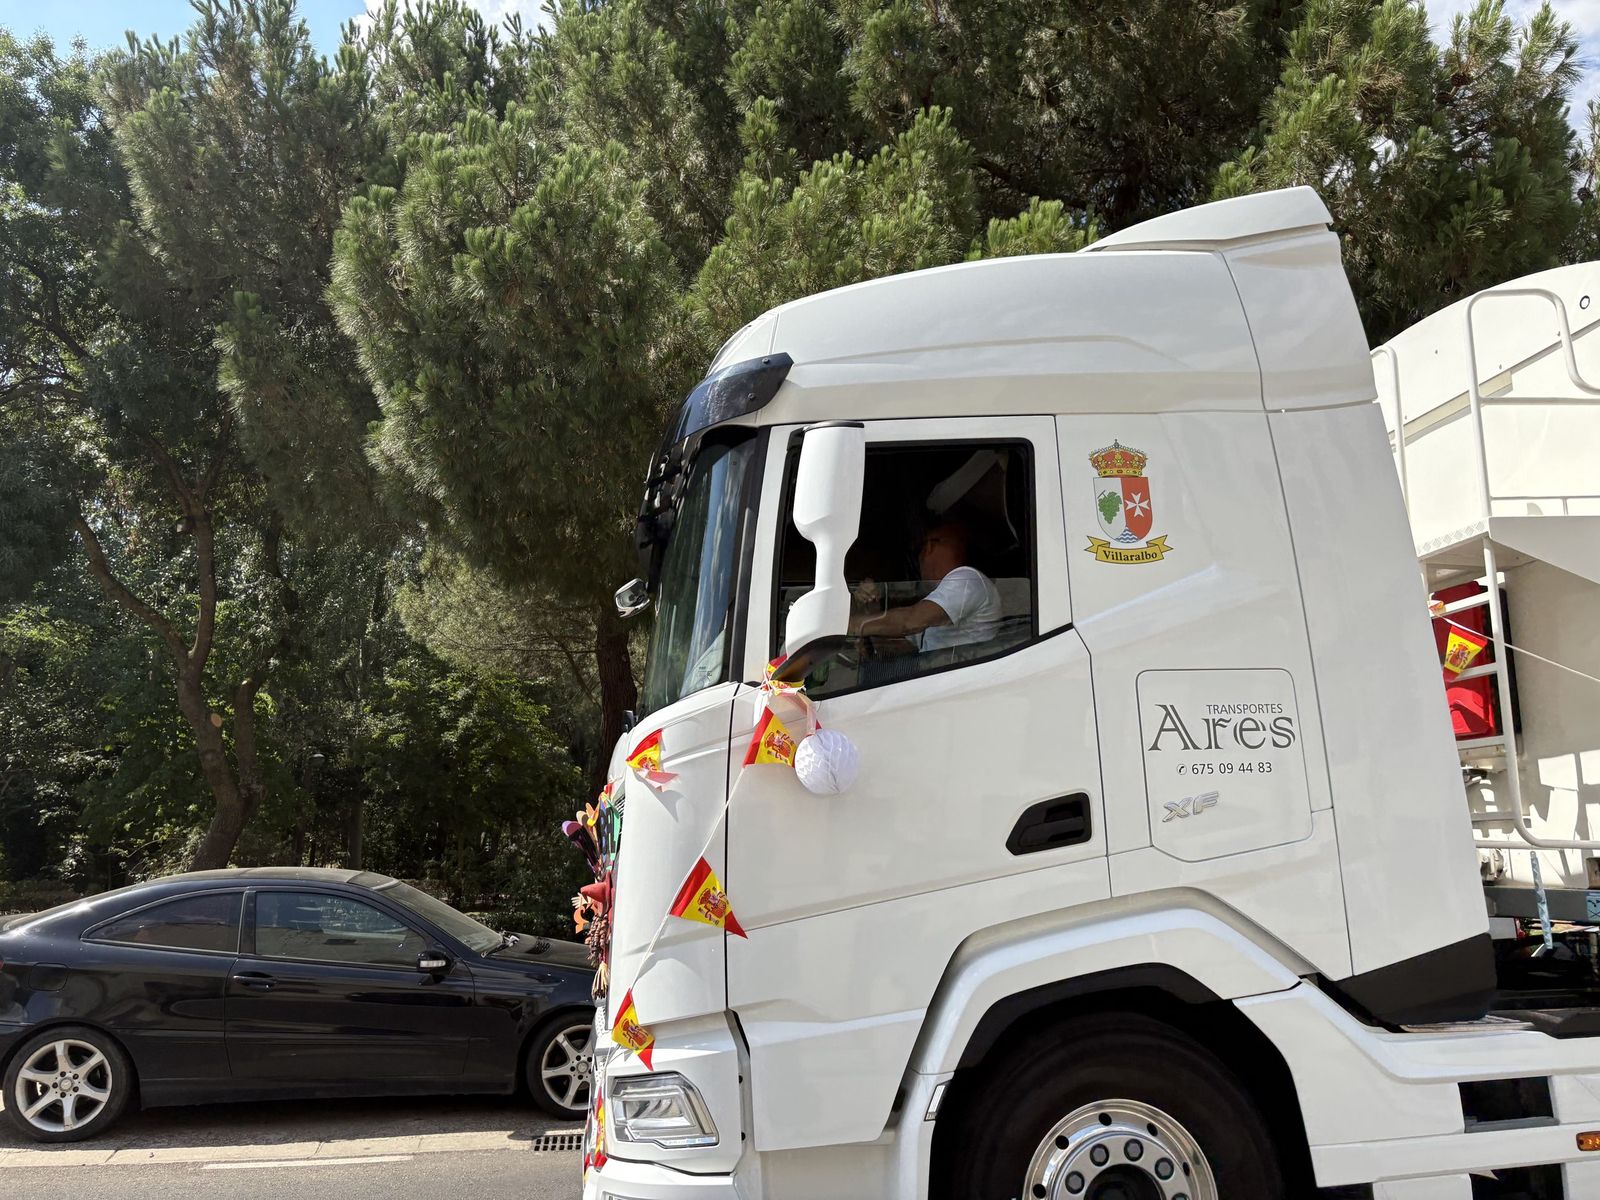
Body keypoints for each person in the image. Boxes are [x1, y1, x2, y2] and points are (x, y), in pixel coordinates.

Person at [848, 521, 1003, 652]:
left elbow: (911, 622)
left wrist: (851, 624)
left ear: (929, 547)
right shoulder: (939, 598)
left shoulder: (967, 578)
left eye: (919, 550)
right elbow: (906, 647)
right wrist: (872, 610)